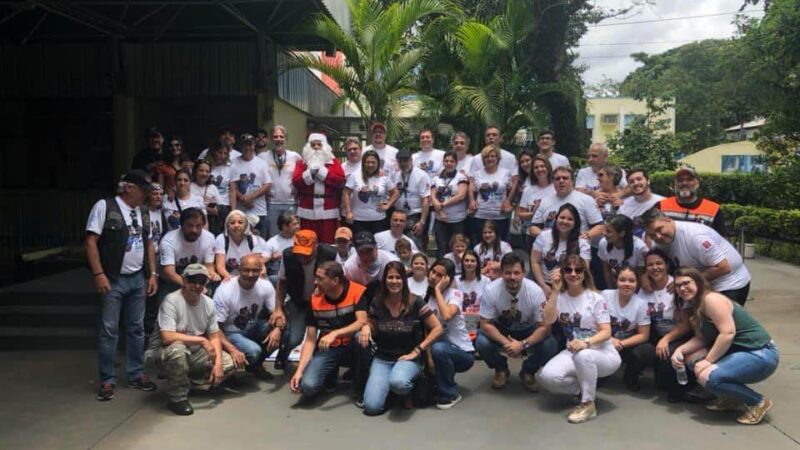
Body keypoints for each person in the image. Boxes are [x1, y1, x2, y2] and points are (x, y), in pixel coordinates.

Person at [671, 267, 778, 425]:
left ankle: (758, 402)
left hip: (760, 353)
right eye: (678, 286)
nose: (682, 288)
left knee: (708, 376)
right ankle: (731, 398)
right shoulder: (697, 305)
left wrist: (707, 361)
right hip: (739, 351)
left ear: (698, 282)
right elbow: (701, 338)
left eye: (686, 283)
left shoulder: (711, 300)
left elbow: (727, 333)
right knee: (689, 358)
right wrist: (679, 350)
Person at [85, 170, 159, 401]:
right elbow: (90, 241)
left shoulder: (144, 212)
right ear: (129, 188)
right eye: (143, 189)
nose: (147, 193)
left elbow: (148, 244)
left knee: (136, 328)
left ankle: (136, 374)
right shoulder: (105, 206)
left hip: (137, 277)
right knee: (109, 330)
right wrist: (98, 273)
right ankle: (107, 379)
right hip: (113, 278)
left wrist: (153, 273)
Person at [538, 256, 621, 424]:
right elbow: (547, 320)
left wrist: (586, 343)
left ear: (585, 273)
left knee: (583, 355)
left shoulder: (596, 298)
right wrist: (554, 291)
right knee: (547, 377)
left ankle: (588, 404)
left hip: (603, 353)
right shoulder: (559, 297)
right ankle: (583, 389)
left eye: (578, 270)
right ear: (562, 273)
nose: (573, 274)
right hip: (573, 351)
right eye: (568, 270)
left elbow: (606, 332)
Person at [144, 264, 235, 416]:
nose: (197, 285)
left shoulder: (208, 303)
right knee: (178, 350)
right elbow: (167, 337)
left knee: (229, 362)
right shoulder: (171, 301)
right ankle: (177, 398)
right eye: (193, 281)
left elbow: (214, 336)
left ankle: (189, 383)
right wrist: (201, 341)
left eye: (201, 281)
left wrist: (218, 364)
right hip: (162, 352)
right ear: (184, 281)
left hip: (193, 352)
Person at [361, 262, 443, 415]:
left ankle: (406, 388)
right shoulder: (377, 301)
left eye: (398, 277)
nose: (394, 281)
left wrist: (418, 350)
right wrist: (366, 326)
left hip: (408, 358)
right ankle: (391, 391)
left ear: (404, 280)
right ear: (384, 280)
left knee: (399, 382)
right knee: (371, 408)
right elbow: (371, 320)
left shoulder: (416, 301)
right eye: (390, 277)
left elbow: (438, 328)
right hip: (383, 358)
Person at [476, 253, 558, 391]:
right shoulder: (490, 290)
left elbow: (545, 327)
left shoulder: (535, 291)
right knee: (481, 342)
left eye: (516, 273)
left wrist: (523, 344)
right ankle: (501, 369)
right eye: (508, 273)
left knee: (550, 344)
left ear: (523, 273)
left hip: (528, 329)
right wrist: (507, 343)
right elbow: (485, 324)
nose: (512, 277)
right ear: (501, 273)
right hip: (501, 328)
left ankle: (528, 371)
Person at [290, 261, 370, 401]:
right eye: (316, 277)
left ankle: (360, 387)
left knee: (361, 337)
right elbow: (310, 340)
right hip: (329, 348)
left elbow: (362, 321)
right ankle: (329, 374)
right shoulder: (314, 300)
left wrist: (335, 333)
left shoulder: (357, 291)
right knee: (307, 387)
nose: (315, 282)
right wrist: (299, 371)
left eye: (320, 279)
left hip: (352, 346)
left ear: (335, 280)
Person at [641, 208, 752, 306]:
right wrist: (646, 276)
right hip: (699, 282)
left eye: (659, 229)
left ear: (668, 220)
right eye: (652, 234)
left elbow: (723, 267)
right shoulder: (659, 240)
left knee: (719, 322)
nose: (658, 236)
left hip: (729, 283)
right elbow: (654, 261)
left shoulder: (695, 237)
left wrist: (684, 282)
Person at [273, 230, 337, 369]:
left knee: (326, 337)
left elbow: (338, 282)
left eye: (306, 253)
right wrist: (278, 308)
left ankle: (317, 364)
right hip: (299, 301)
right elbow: (282, 282)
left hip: (323, 302)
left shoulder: (331, 254)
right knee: (294, 338)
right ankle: (282, 355)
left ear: (316, 246)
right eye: (299, 253)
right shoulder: (288, 255)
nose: (302, 257)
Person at [636, 248, 692, 402]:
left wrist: (666, 339)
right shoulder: (644, 288)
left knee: (669, 359)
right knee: (641, 352)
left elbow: (686, 324)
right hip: (655, 334)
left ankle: (684, 388)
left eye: (659, 263)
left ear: (667, 265)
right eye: (650, 265)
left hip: (678, 335)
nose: (655, 268)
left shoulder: (676, 286)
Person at [213, 254, 281, 380]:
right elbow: (214, 329)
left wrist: (277, 329)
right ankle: (231, 367)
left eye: (255, 270)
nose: (250, 274)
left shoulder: (265, 285)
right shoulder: (225, 291)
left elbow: (277, 312)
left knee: (283, 331)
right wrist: (232, 349)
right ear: (239, 269)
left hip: (252, 326)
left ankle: (256, 366)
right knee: (254, 351)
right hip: (230, 332)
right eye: (246, 270)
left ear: (261, 270)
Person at [425, 259, 475, 409]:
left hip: (462, 354)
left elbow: (447, 315)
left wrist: (438, 290)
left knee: (439, 348)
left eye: (440, 275)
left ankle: (450, 394)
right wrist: (428, 359)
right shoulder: (426, 298)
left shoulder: (455, 294)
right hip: (438, 350)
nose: (434, 277)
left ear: (447, 279)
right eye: (433, 272)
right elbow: (427, 330)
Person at [601, 266, 651, 391]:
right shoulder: (605, 295)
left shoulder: (641, 304)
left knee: (647, 350)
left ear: (637, 283)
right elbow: (593, 323)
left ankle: (630, 375)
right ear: (616, 281)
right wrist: (610, 339)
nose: (627, 284)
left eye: (631, 281)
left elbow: (644, 335)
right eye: (622, 280)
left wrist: (621, 343)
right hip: (604, 342)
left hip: (626, 345)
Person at [293, 133, 347, 244]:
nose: (317, 147)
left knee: (328, 242)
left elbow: (340, 180)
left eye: (319, 144)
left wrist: (322, 172)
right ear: (308, 146)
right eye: (313, 145)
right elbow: (296, 182)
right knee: (307, 241)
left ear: (325, 146)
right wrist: (310, 174)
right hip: (307, 209)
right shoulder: (301, 164)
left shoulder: (334, 162)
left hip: (329, 209)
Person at [531, 204, 591, 297]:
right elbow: (535, 262)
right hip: (544, 284)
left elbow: (585, 267)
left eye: (570, 219)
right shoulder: (543, 236)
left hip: (570, 287)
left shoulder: (582, 243)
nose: (565, 221)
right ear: (556, 218)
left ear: (576, 222)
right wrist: (543, 285)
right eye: (562, 217)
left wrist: (563, 272)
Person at [529, 166, 604, 241]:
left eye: (565, 178)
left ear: (572, 181)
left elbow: (600, 226)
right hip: (550, 248)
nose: (561, 181)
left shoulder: (586, 200)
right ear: (553, 182)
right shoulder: (545, 202)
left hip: (576, 248)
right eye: (557, 179)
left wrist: (587, 236)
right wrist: (545, 236)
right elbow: (533, 227)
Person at [159, 208, 219, 293]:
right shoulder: (168, 241)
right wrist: (190, 286)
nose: (194, 230)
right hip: (171, 283)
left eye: (198, 226)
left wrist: (211, 275)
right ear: (182, 225)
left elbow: (209, 266)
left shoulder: (209, 238)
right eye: (190, 225)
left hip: (196, 280)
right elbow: (169, 273)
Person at [259, 125, 302, 238]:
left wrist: (299, 190)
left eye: (281, 137)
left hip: (291, 202)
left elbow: (301, 177)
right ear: (271, 139)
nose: (278, 139)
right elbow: (258, 178)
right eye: (275, 136)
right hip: (272, 203)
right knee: (273, 235)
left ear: (285, 139)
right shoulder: (262, 157)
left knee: (293, 234)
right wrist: (263, 192)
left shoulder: (295, 156)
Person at [657, 166, 726, 235]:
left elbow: (721, 242)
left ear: (697, 184)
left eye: (689, 180)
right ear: (674, 185)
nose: (684, 183)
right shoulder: (661, 206)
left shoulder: (713, 210)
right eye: (680, 180)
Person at [343, 150, 395, 235]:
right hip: (358, 220)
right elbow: (346, 193)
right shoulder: (355, 176)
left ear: (378, 163)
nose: (370, 165)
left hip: (379, 219)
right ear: (363, 163)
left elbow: (395, 193)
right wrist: (348, 212)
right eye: (368, 162)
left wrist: (388, 205)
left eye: (373, 162)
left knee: (378, 246)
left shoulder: (384, 177)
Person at [468, 145, 513, 243]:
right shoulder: (477, 173)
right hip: (481, 215)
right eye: (487, 157)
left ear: (498, 158)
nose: (490, 159)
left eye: (493, 156)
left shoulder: (506, 173)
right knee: (480, 245)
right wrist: (472, 201)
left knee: (500, 245)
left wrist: (508, 201)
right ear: (483, 159)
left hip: (500, 216)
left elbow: (510, 189)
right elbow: (473, 189)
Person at [229, 134, 271, 237]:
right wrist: (243, 199)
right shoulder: (233, 163)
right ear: (240, 146)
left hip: (259, 211)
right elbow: (231, 186)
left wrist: (250, 198)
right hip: (240, 212)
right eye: (245, 145)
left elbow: (267, 184)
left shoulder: (262, 163)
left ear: (254, 145)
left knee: (260, 242)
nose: (248, 148)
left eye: (250, 144)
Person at [390, 148, 431, 249]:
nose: (403, 163)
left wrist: (422, 222)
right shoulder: (395, 175)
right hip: (399, 216)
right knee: (399, 246)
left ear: (411, 161)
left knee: (415, 247)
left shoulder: (421, 175)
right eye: (400, 161)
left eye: (406, 160)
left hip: (415, 216)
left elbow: (425, 200)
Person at [431, 150, 469, 258]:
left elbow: (461, 195)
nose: (449, 163)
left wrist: (443, 205)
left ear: (456, 163)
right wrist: (440, 210)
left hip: (457, 220)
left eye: (451, 161)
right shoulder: (436, 178)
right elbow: (432, 196)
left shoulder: (461, 177)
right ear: (443, 162)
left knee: (458, 248)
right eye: (446, 161)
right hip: (440, 220)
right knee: (442, 248)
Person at [213, 209, 267, 282]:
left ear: (245, 226)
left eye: (240, 222)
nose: (236, 225)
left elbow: (257, 263)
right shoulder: (221, 239)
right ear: (227, 226)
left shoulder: (253, 240)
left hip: (249, 277)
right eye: (232, 223)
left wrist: (262, 270)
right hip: (228, 277)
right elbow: (220, 267)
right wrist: (232, 280)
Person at [516, 154, 555, 252]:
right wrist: (534, 214)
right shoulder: (528, 190)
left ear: (548, 168)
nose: (539, 169)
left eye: (542, 166)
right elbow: (520, 214)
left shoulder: (556, 187)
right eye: (536, 167)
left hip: (553, 234)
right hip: (532, 234)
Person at [598, 214, 648, 288]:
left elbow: (640, 275)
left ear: (622, 233)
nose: (604, 233)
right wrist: (611, 290)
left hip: (635, 284)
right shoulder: (603, 243)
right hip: (618, 283)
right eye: (604, 230)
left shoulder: (640, 248)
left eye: (608, 231)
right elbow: (606, 270)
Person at [619, 168, 665, 237]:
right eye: (631, 181)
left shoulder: (663, 202)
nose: (636, 183)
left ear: (648, 181)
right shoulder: (623, 206)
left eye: (639, 179)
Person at [456, 249, 487, 341]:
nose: (469, 263)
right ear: (462, 263)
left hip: (478, 320)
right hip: (459, 320)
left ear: (477, 263)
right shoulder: (455, 280)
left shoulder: (486, 281)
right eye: (466, 260)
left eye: (472, 261)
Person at [262, 211, 300, 284]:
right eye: (294, 224)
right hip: (278, 277)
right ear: (285, 227)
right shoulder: (272, 242)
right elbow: (261, 261)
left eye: (297, 223)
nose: (298, 226)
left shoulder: (301, 239)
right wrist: (272, 258)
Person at [207, 141, 234, 235]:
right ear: (214, 152)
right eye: (219, 152)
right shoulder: (206, 167)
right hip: (208, 206)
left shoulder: (229, 168)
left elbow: (232, 190)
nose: (222, 156)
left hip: (224, 206)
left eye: (225, 153)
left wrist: (233, 212)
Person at [191, 160, 221, 227]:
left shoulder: (213, 188)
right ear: (195, 172)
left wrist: (217, 210)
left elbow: (221, 207)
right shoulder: (189, 187)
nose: (204, 174)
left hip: (212, 224)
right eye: (201, 170)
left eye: (207, 171)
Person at [146, 183, 167, 258]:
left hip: (157, 255)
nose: (158, 197)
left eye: (161, 194)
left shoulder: (161, 213)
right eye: (155, 194)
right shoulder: (142, 213)